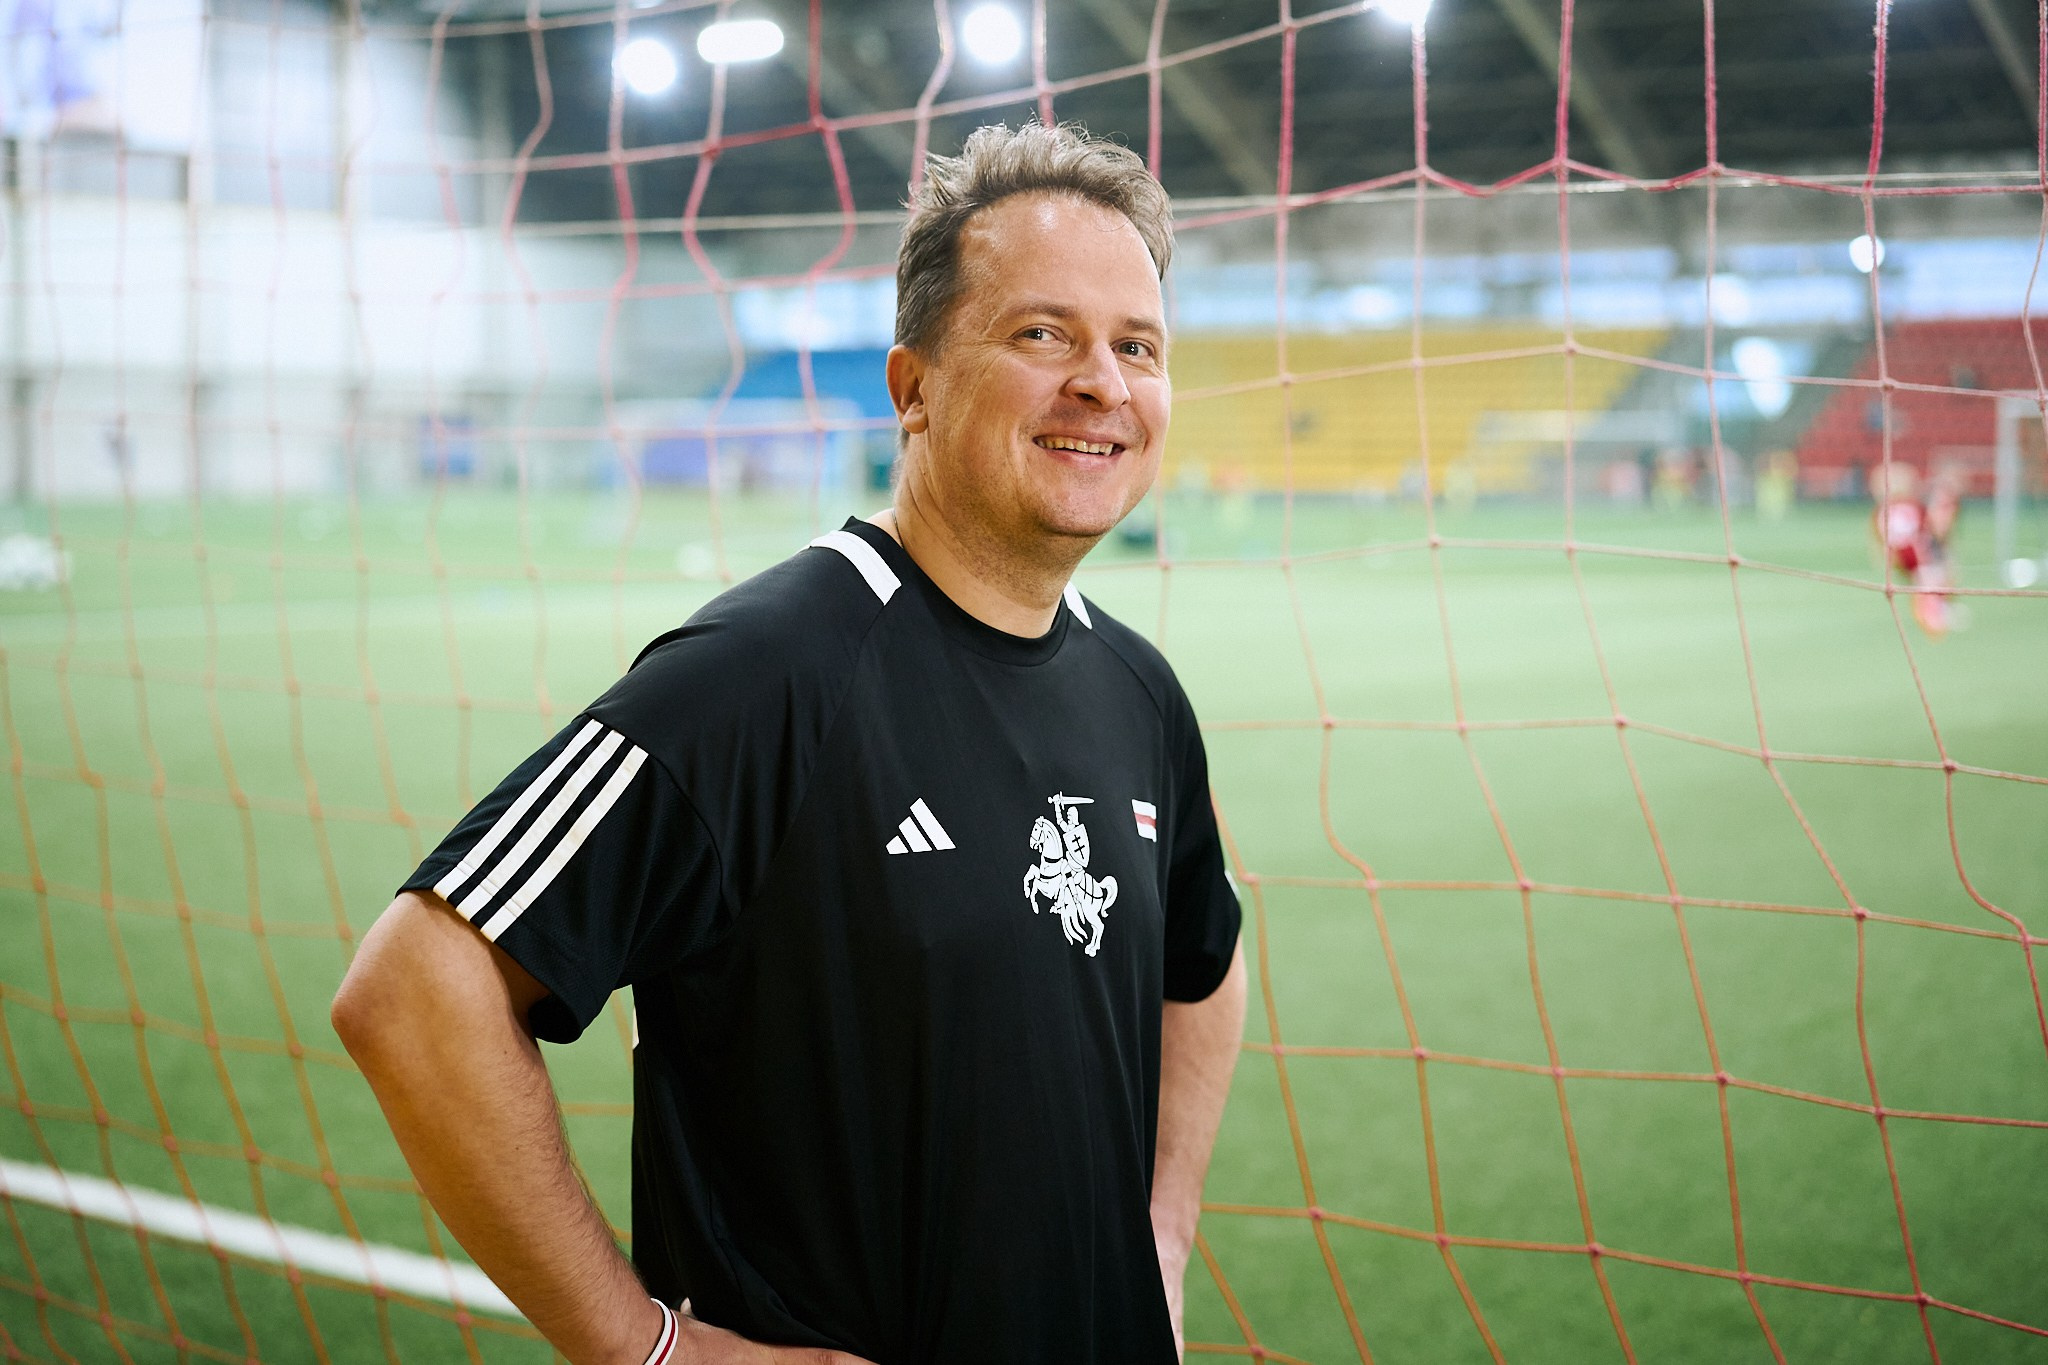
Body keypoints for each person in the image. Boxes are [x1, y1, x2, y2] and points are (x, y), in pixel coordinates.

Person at [331, 120, 1247, 1365]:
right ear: (912, 386)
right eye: (1043, 334)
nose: (1103, 382)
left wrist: (1162, 1231)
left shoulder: (1137, 690)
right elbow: (411, 989)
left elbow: (1204, 959)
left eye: (1135, 345)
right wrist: (641, 1346)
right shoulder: (767, 672)